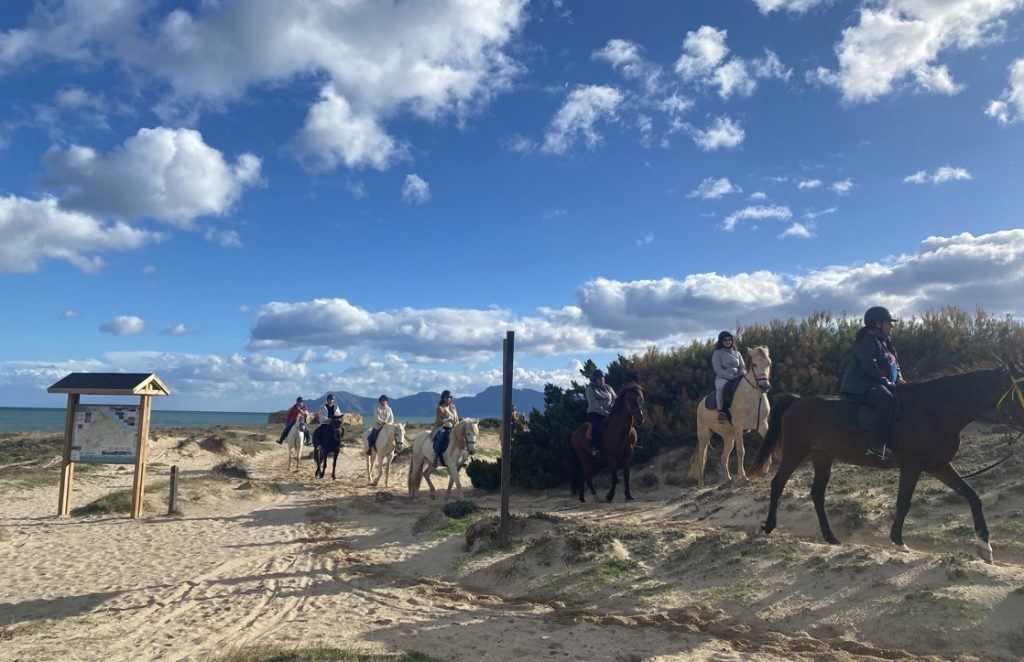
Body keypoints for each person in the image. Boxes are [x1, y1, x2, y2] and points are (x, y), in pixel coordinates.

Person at [840, 306, 904, 461]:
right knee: (887, 399)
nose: (892, 325)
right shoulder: (867, 341)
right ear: (878, 323)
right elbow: (869, 366)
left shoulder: (887, 343)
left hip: (878, 383)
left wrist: (900, 379)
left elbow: (895, 365)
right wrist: (888, 383)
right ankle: (877, 445)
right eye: (889, 322)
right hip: (861, 385)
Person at [712, 331, 744, 423]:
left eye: (730, 340)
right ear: (721, 341)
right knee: (721, 388)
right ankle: (721, 412)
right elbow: (718, 369)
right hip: (722, 378)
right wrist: (730, 377)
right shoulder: (717, 353)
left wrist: (742, 373)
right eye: (725, 340)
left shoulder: (737, 353)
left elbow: (743, 366)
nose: (728, 342)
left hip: (738, 377)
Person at [585, 370, 616, 458]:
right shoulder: (590, 389)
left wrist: (613, 407)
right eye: (599, 378)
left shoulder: (608, 387)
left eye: (602, 378)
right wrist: (604, 412)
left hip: (610, 412)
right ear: (595, 380)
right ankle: (595, 447)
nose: (602, 380)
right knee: (597, 426)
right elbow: (593, 403)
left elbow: (614, 397)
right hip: (595, 412)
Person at [431, 390, 459, 468]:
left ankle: (462, 457)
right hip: (443, 427)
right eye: (446, 397)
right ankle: (435, 458)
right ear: (443, 398)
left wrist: (457, 424)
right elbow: (438, 420)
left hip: (453, 427)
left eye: (450, 397)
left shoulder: (453, 408)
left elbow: (456, 418)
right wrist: (448, 419)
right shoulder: (440, 408)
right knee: (441, 435)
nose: (448, 399)